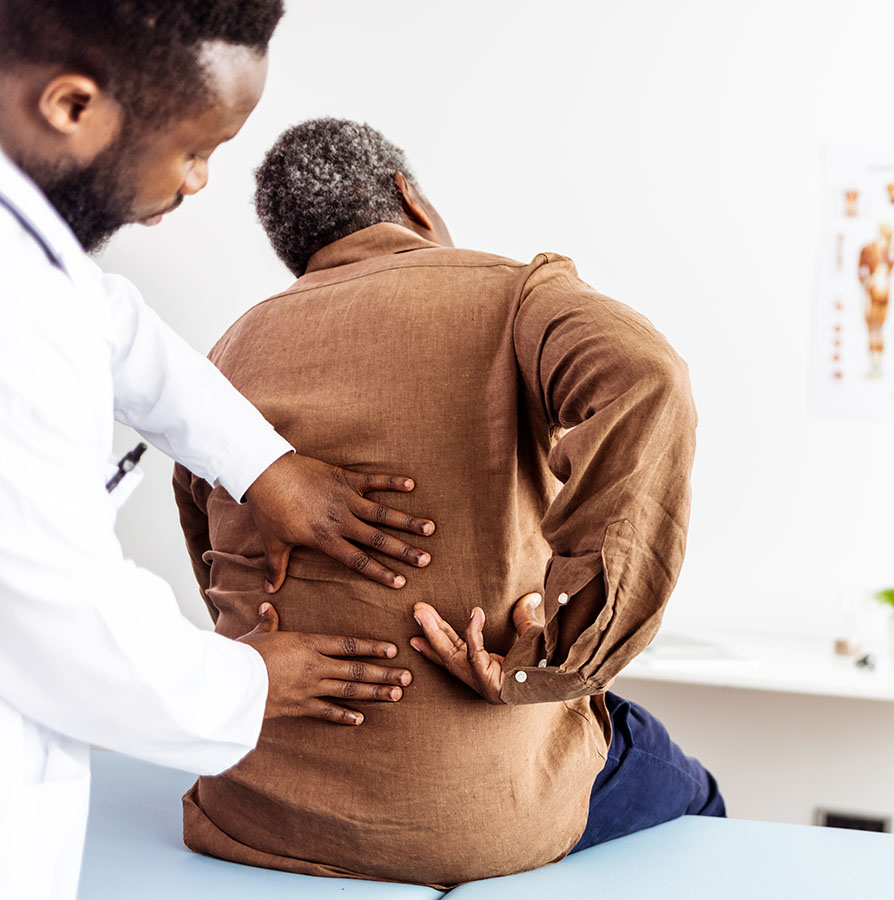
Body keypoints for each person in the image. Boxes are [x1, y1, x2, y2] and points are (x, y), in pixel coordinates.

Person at [172, 118, 723, 887]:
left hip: (249, 809)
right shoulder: (511, 296)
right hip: (472, 823)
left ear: (299, 253)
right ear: (411, 199)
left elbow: (216, 576)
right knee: (696, 793)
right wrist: (556, 659)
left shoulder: (224, 356)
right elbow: (647, 377)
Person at [0, 6, 437, 898]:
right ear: (73, 106)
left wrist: (264, 466)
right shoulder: (17, 319)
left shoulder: (43, 277)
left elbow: (111, 326)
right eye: (198, 149)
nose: (200, 182)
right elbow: (62, 623)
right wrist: (247, 682)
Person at [857, 223, 894, 377]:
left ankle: (878, 366)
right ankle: (874, 366)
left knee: (878, 329)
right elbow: (861, 271)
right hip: (871, 291)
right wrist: (869, 281)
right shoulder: (868, 250)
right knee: (871, 329)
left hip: (884, 292)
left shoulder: (893, 251)